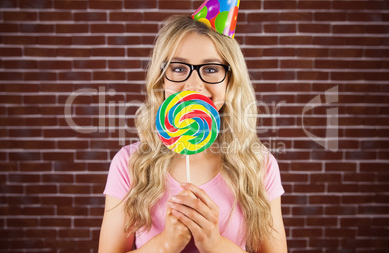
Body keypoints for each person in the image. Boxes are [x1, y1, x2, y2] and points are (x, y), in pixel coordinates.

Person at [98, 14, 287, 253]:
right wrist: (166, 244)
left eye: (210, 69)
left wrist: (215, 245)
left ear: (230, 80)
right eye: (178, 68)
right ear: (161, 79)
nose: (194, 85)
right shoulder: (129, 164)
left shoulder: (259, 164)